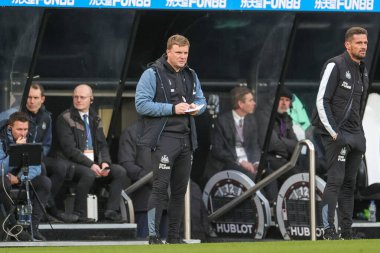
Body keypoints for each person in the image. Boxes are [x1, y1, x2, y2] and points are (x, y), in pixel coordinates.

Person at [135, 34, 206, 244]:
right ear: (168, 52)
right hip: (164, 138)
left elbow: (201, 99)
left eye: (185, 53)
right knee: (159, 187)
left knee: (179, 191)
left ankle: (174, 237)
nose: (183, 57)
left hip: (186, 139)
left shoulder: (191, 74)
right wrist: (172, 108)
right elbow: (141, 105)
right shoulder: (152, 73)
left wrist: (197, 109)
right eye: (178, 53)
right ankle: (153, 236)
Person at [312, 27, 368, 240]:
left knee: (350, 184)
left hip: (356, 134)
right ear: (348, 44)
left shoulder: (362, 69)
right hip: (337, 133)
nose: (363, 46)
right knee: (335, 180)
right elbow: (321, 100)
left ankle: (346, 232)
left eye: (365, 43)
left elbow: (357, 105)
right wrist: (334, 132)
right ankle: (328, 232)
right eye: (359, 43)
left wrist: (360, 134)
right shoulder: (335, 64)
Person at [55, 84, 127, 223]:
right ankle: (78, 214)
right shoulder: (64, 118)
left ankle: (111, 211)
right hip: (71, 164)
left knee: (119, 172)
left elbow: (102, 144)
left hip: (92, 163)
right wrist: (92, 165)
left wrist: (105, 163)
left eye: (82, 97)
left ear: (91, 100)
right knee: (87, 173)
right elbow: (69, 150)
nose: (78, 100)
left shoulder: (95, 118)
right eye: (76, 97)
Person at [23, 83, 73, 222]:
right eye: (29, 97)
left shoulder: (46, 117)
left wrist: (38, 154)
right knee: (42, 167)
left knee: (61, 166)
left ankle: (46, 205)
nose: (31, 101)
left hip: (39, 156)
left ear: (42, 99)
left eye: (35, 97)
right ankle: (50, 209)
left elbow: (47, 143)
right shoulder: (18, 114)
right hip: (20, 157)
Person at [0, 111, 51, 241]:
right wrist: (15, 150)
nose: (23, 133)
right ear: (10, 128)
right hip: (3, 178)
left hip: (18, 177)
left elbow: (36, 166)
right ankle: (14, 226)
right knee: (3, 183)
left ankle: (33, 228)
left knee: (44, 182)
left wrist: (19, 178)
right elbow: (1, 168)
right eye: (19, 129)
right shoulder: (2, 140)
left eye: (25, 129)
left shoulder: (30, 137)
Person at [203, 86, 260, 183]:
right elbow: (218, 150)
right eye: (250, 100)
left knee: (269, 175)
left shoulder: (251, 121)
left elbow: (254, 146)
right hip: (227, 163)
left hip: (248, 162)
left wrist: (256, 163)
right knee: (250, 177)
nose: (254, 103)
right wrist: (240, 162)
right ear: (241, 104)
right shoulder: (222, 121)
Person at [256, 86, 300, 203]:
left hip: (284, 159)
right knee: (296, 175)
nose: (284, 103)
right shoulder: (265, 115)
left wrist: (281, 140)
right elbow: (272, 144)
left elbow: (297, 144)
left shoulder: (287, 118)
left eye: (287, 100)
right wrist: (286, 146)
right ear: (273, 100)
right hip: (268, 159)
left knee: (307, 169)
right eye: (281, 99)